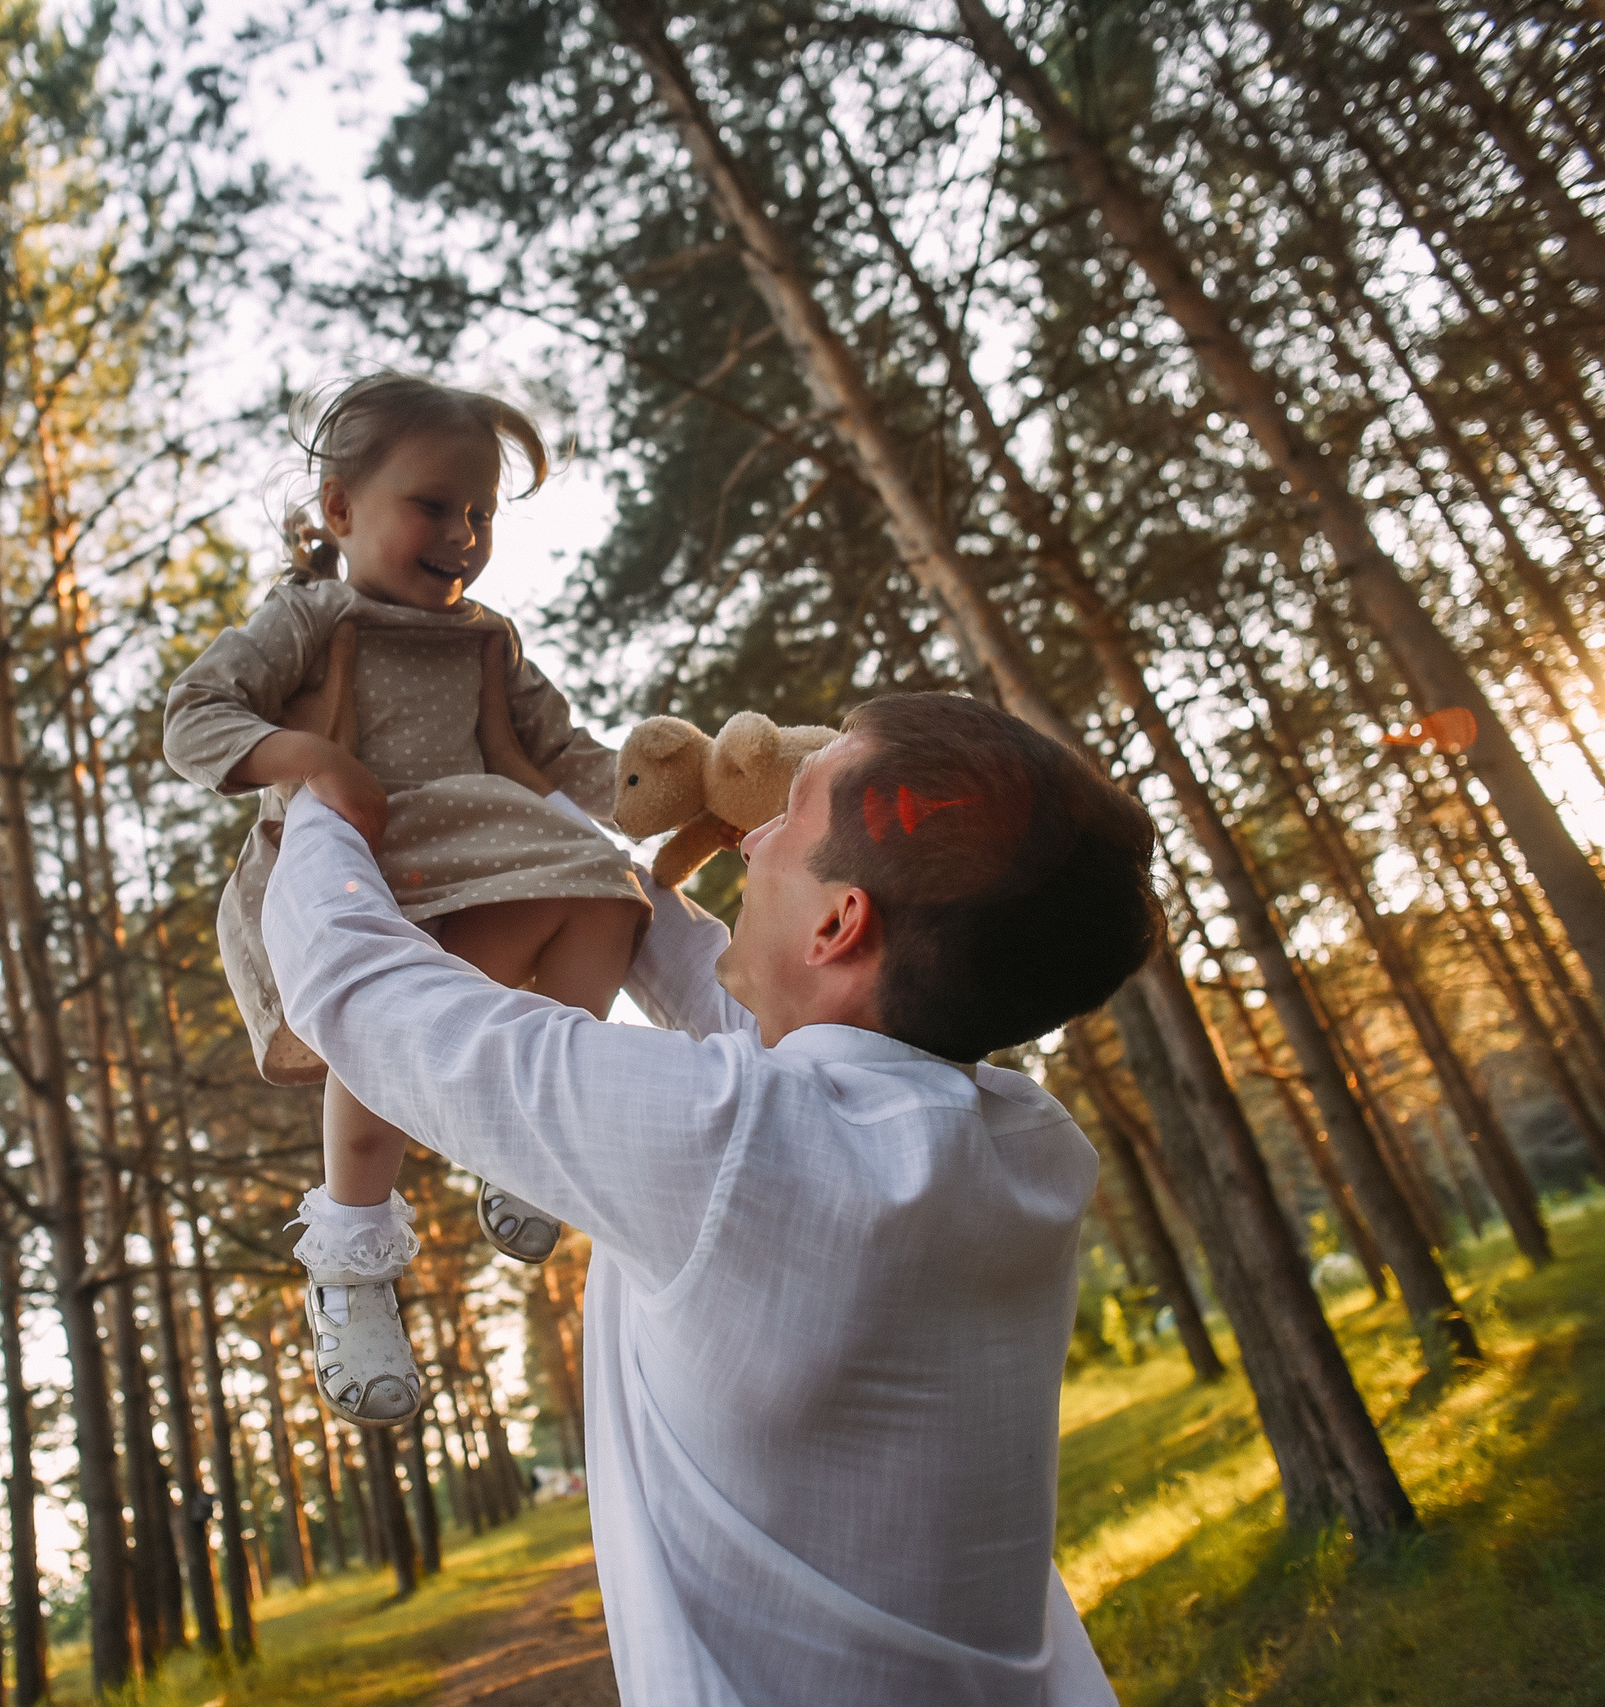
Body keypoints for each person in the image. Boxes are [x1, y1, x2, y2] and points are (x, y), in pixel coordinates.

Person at [261, 692, 1158, 1703]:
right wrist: (560, 811)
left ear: (837, 924)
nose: (752, 839)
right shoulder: (1024, 1149)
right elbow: (713, 984)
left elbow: (359, 990)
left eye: (792, 813)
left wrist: (320, 798)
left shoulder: (734, 1148)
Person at [161, 372, 647, 1428]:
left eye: (481, 513)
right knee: (380, 1044)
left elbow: (563, 757)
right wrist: (304, 756)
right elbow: (192, 715)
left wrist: (670, 791)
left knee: (611, 892)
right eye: (434, 505)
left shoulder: (487, 639)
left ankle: (527, 1133)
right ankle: (352, 1259)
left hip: (486, 854)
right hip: (358, 871)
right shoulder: (308, 616)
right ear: (340, 509)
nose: (464, 534)